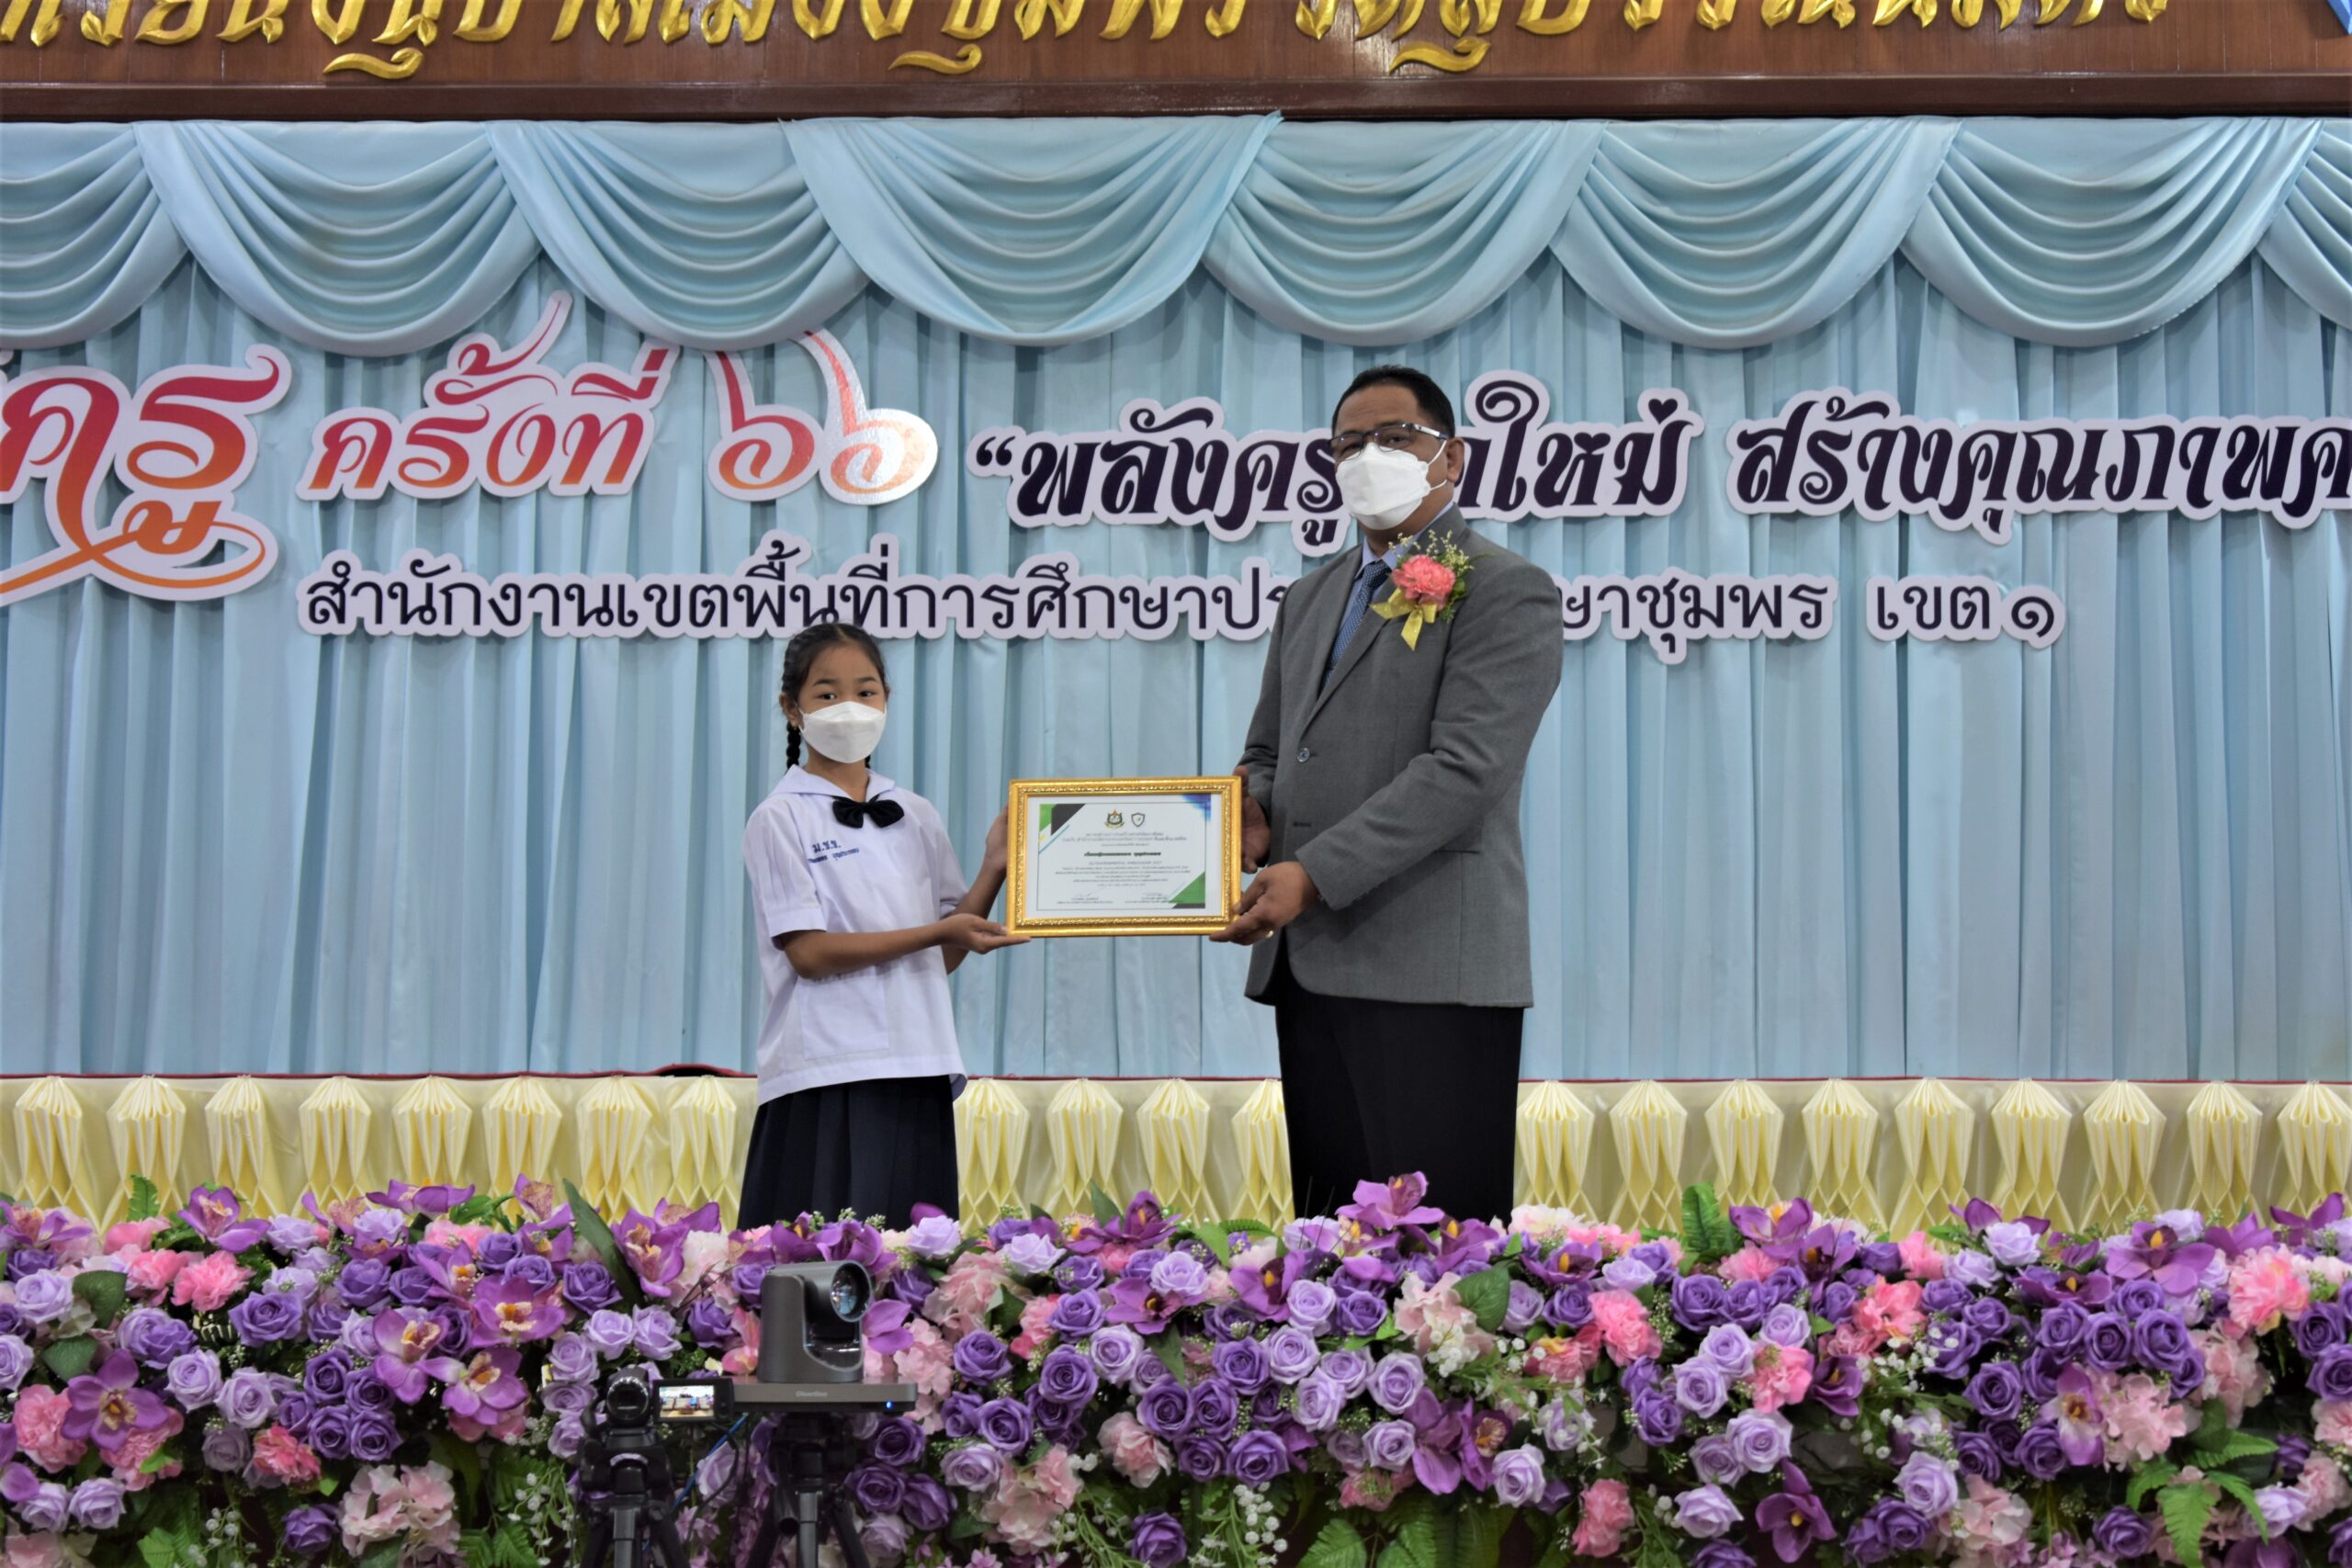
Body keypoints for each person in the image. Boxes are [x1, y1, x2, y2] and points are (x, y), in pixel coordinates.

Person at [1213, 366, 1562, 1224]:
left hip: (1431, 964)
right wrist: (1251, 816)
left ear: (1453, 458)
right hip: (1309, 962)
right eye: (1348, 444)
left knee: (1440, 1254)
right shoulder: (1310, 595)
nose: (1369, 456)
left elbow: (1466, 768)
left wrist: (1312, 873)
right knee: (1331, 1243)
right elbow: (1269, 748)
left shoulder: (1503, 586)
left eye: (1396, 437)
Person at [739, 622, 1025, 1227]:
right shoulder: (779, 817)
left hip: (918, 1059)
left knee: (913, 1259)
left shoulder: (915, 813)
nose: (849, 706)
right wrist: (938, 933)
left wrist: (996, 867)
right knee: (821, 1256)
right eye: (827, 693)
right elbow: (809, 954)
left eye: (865, 691)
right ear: (792, 709)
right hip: (827, 1069)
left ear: (886, 700)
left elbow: (945, 951)